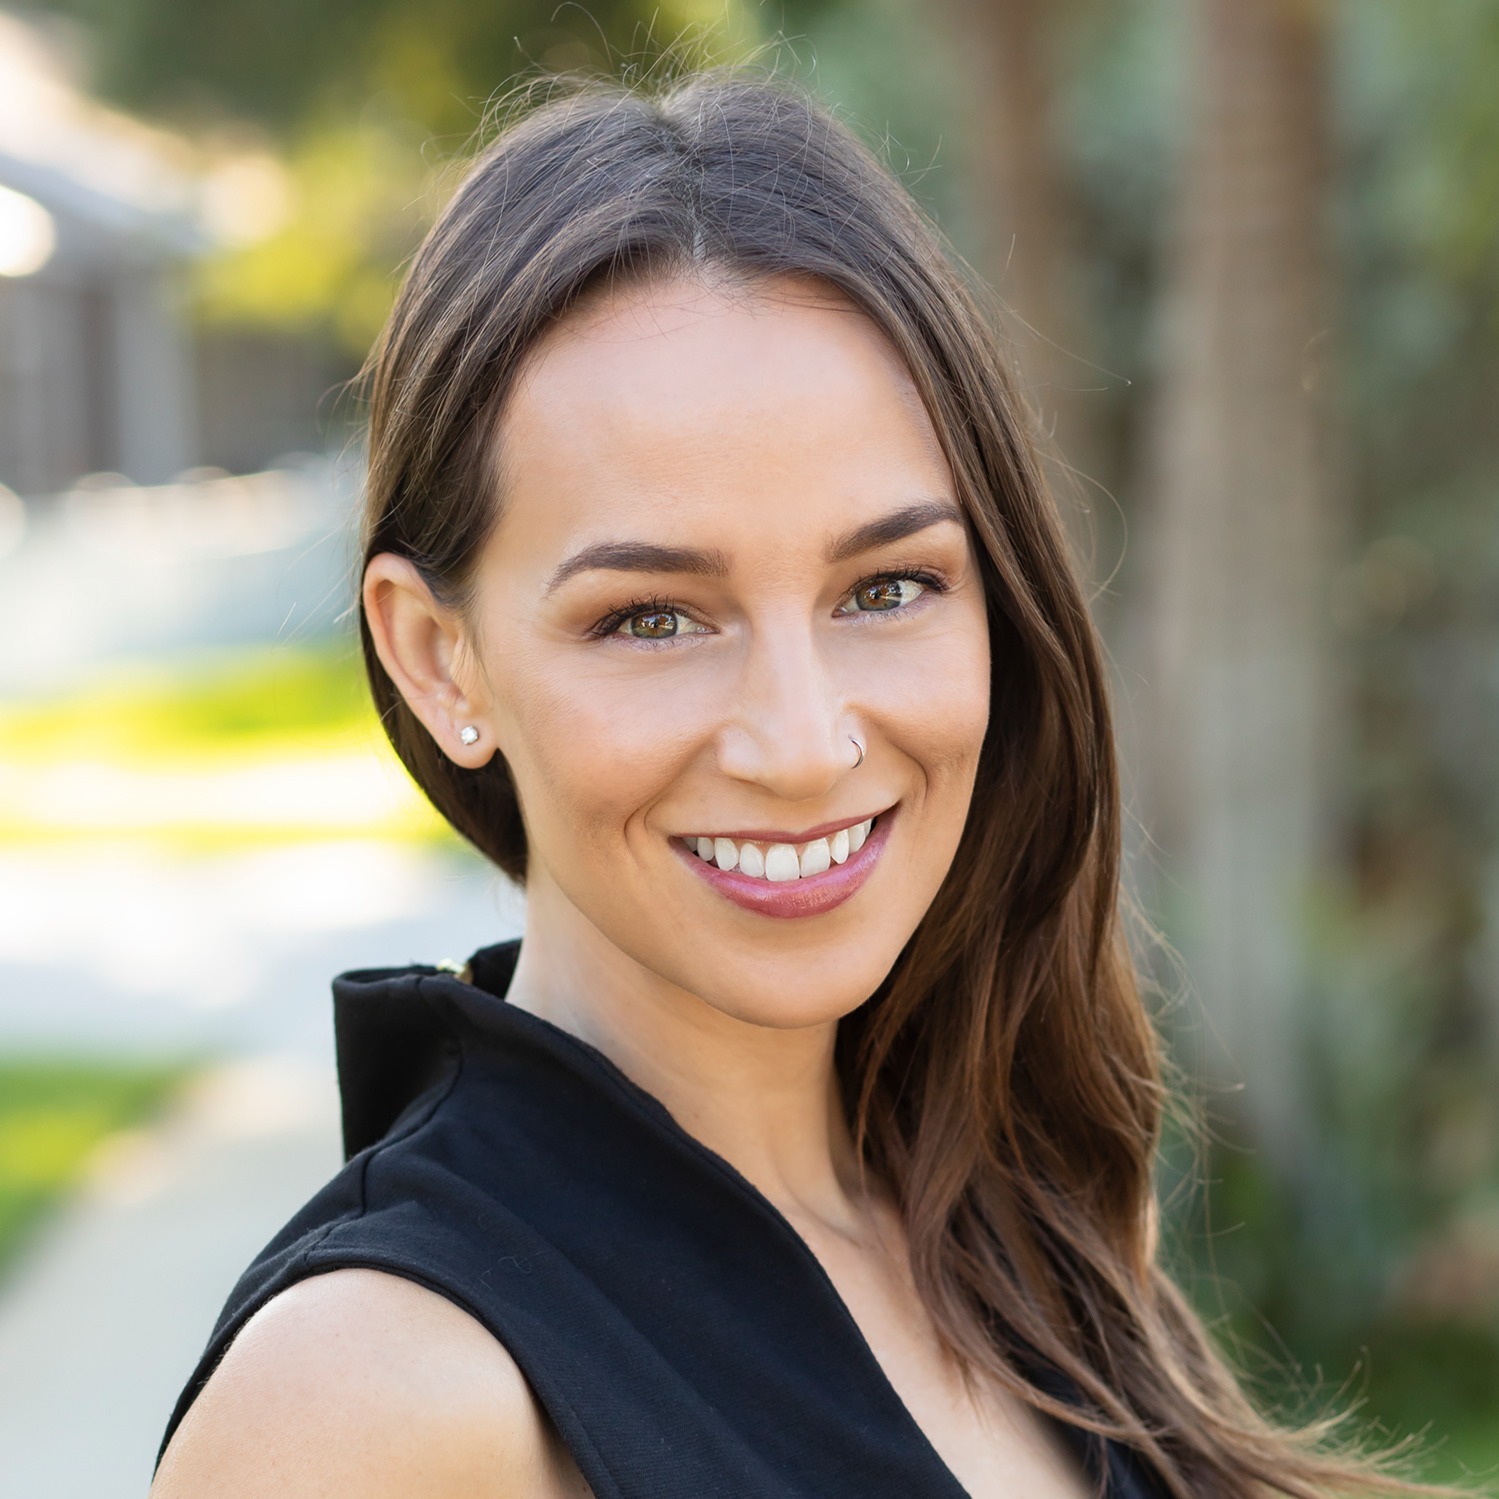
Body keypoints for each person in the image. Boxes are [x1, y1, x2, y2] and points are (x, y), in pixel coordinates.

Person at [149, 67, 1429, 1499]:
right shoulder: (372, 1401)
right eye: (652, 618)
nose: (806, 740)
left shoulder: (1011, 1217)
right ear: (439, 659)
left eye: (887, 587)